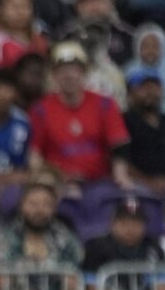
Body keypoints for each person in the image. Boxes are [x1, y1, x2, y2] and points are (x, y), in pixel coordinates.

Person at [30, 41, 132, 189]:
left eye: (74, 69)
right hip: (59, 184)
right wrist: (43, 182)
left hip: (100, 181)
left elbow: (119, 145)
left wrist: (121, 176)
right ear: (54, 75)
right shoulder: (40, 110)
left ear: (84, 72)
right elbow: (35, 153)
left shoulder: (105, 104)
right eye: (62, 70)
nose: (69, 75)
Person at [123, 67, 165, 195]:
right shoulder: (123, 122)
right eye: (143, 87)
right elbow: (122, 163)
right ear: (130, 93)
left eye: (154, 86)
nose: (150, 91)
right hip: (136, 187)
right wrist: (149, 183)